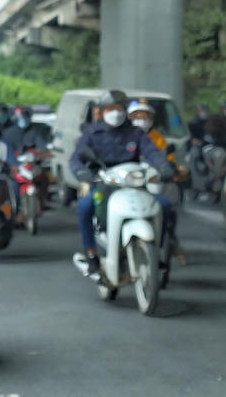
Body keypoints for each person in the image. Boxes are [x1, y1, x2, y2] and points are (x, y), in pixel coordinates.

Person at [69, 90, 175, 278]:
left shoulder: (136, 133)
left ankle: (158, 251)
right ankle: (92, 254)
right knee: (85, 206)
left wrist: (164, 168)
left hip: (133, 184)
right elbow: (76, 158)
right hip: (103, 184)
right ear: (102, 111)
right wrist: (81, 172)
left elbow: (153, 153)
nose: (115, 112)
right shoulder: (92, 133)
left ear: (125, 110)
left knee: (164, 205)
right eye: (111, 108)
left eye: (119, 108)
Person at [128, 100, 188, 264]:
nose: (141, 119)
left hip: (153, 179)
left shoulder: (157, 138)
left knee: (168, 202)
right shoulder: (123, 136)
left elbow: (166, 160)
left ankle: (171, 239)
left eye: (144, 116)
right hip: (128, 180)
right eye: (137, 116)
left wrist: (173, 168)